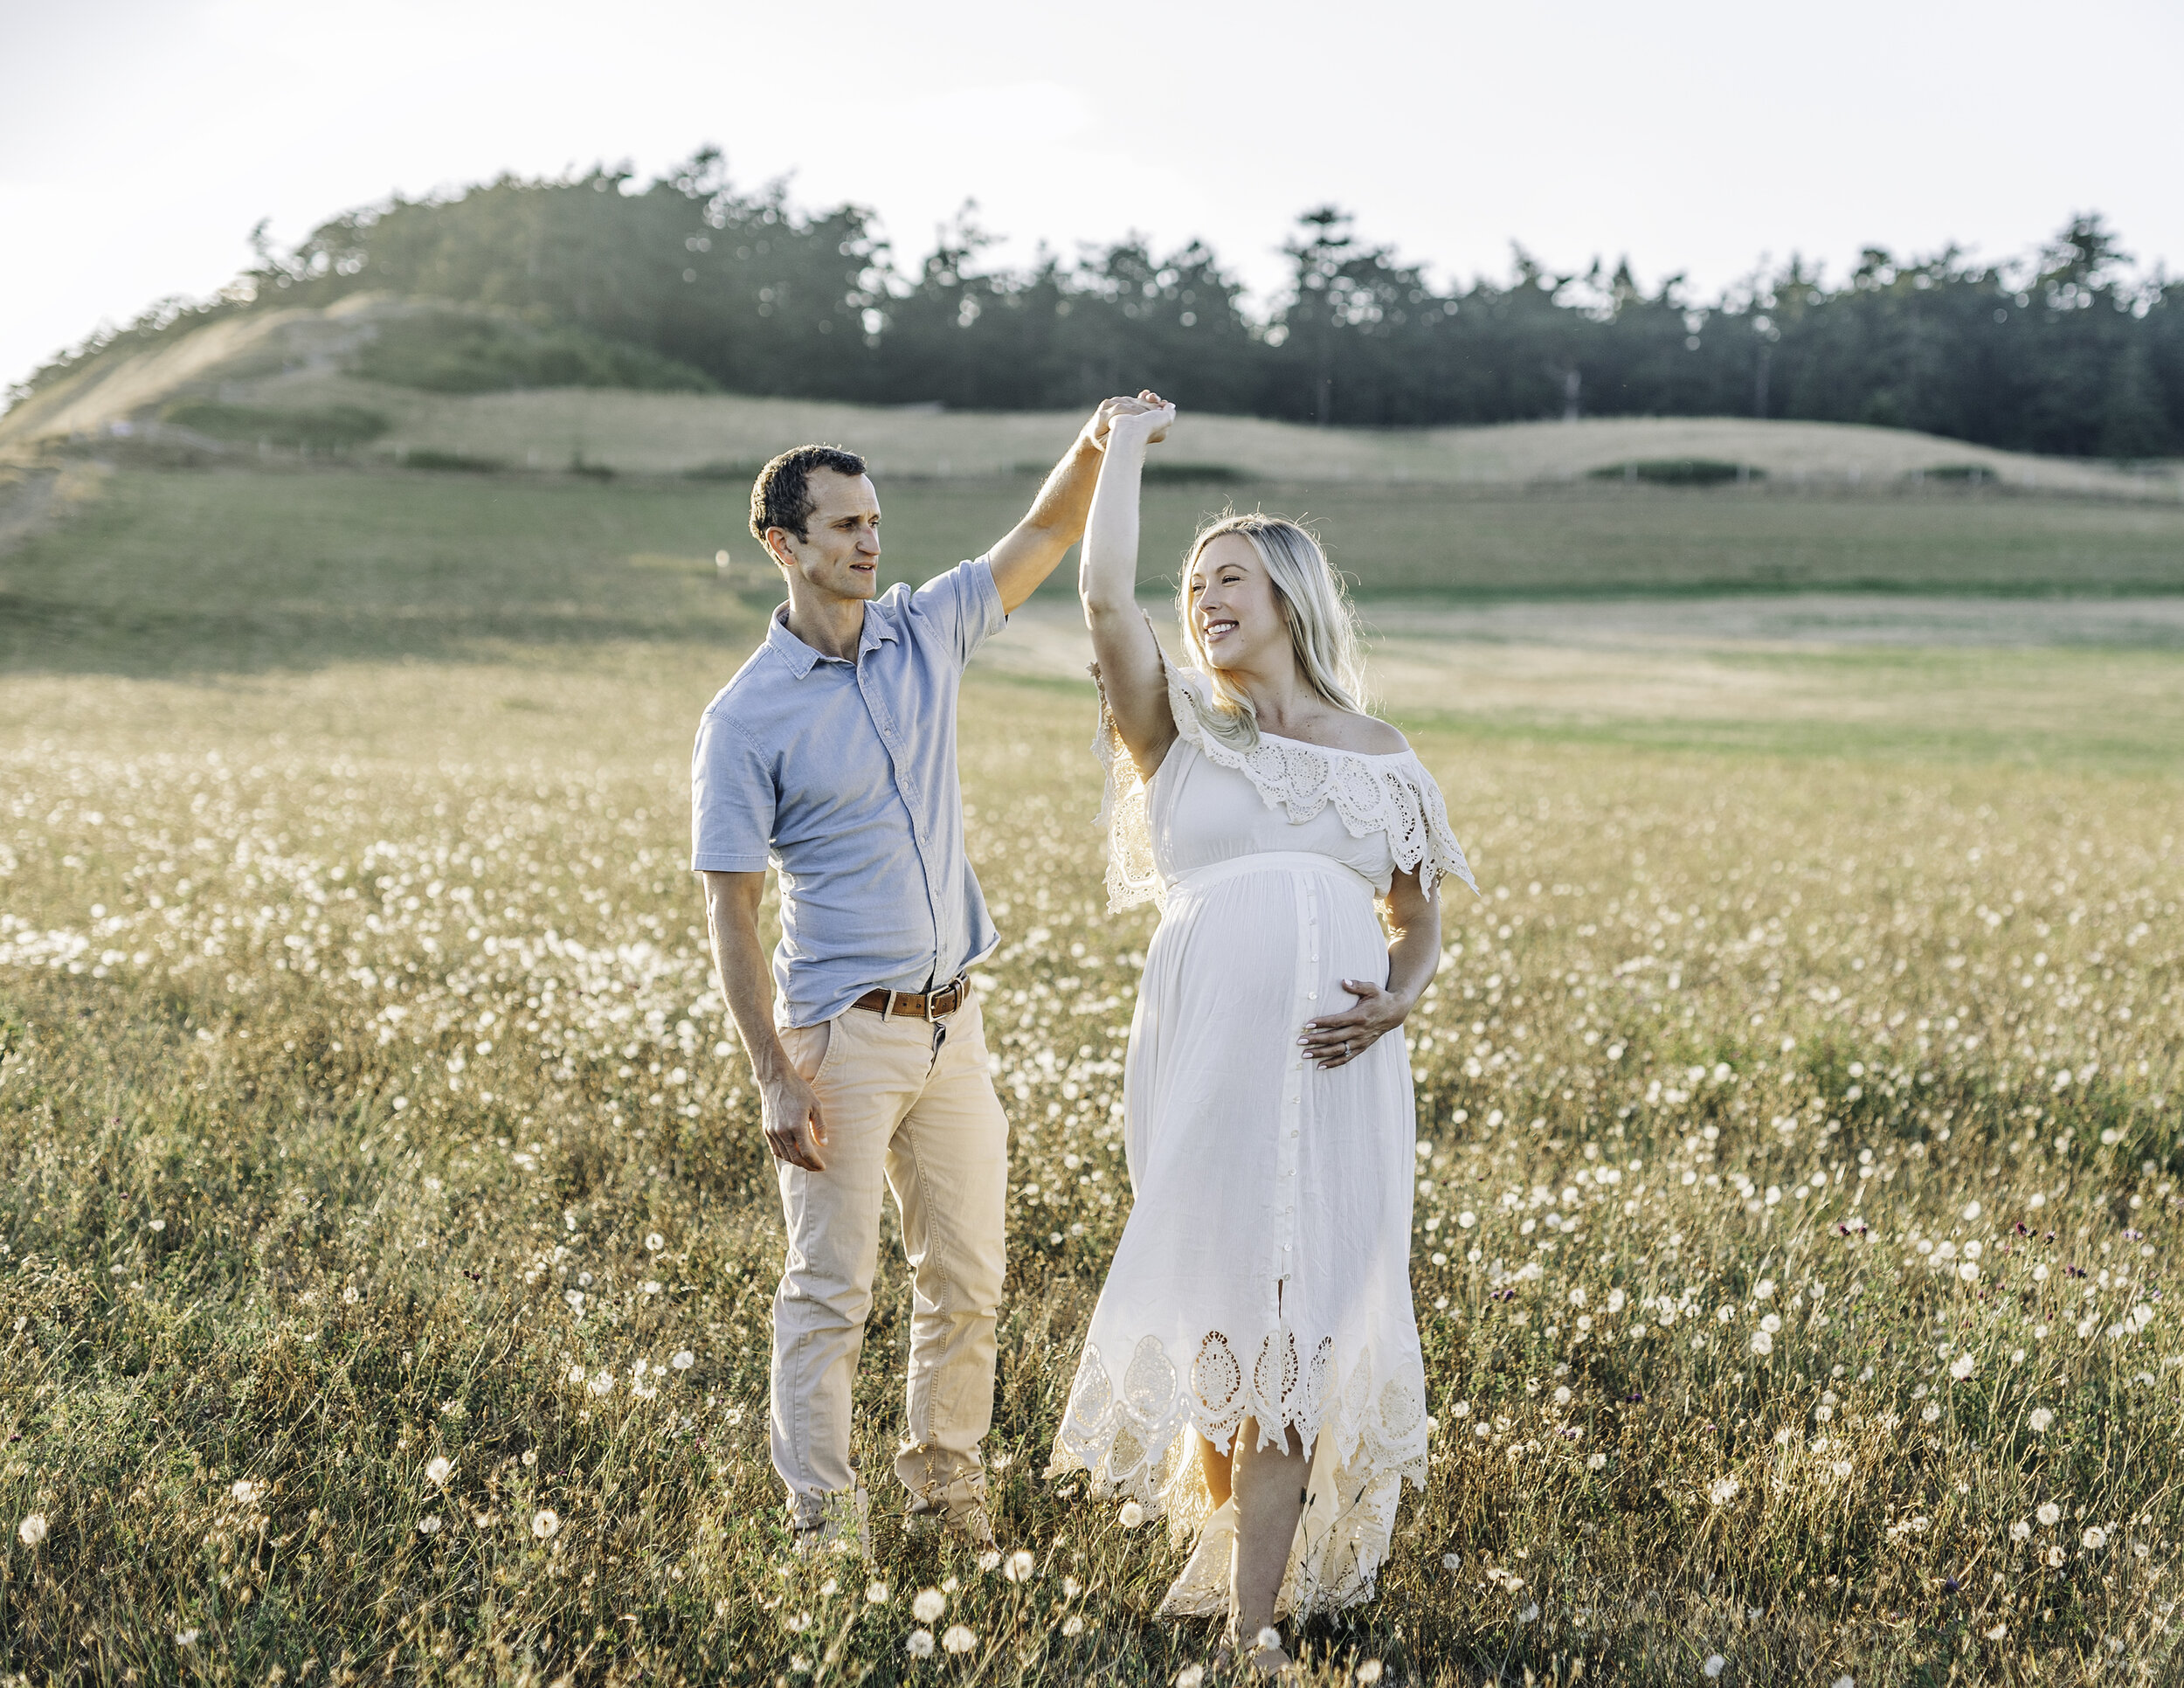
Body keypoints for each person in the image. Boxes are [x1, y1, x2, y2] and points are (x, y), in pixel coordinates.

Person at [1045, 398, 1476, 1671]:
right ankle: (1236, 1551)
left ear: (1287, 596)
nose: (1203, 599)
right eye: (1195, 584)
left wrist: (1403, 993)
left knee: (1308, 1309)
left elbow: (1417, 916)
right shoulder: (1176, 724)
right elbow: (1104, 598)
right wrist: (1118, 445)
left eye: (1229, 577)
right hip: (1213, 1051)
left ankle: (1255, 1626)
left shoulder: (1379, 753)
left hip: (1340, 1065)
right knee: (1234, 1298)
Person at [695, 398, 1162, 1557]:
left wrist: (1101, 440)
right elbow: (732, 906)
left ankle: (948, 1504)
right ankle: (823, 1528)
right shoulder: (745, 718)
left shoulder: (922, 631)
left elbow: (1043, 538)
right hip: (839, 1039)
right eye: (843, 525)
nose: (867, 542)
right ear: (784, 545)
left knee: (967, 1280)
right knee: (831, 1293)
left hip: (957, 1025)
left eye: (874, 521)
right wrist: (771, 1073)